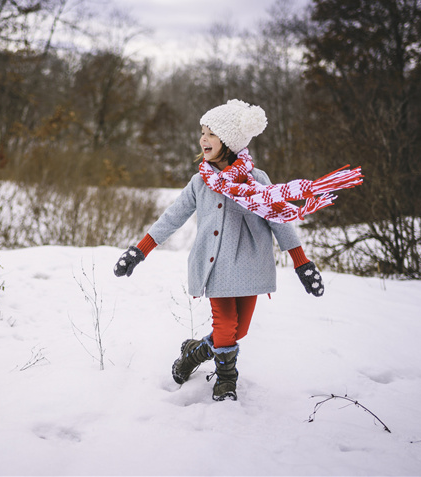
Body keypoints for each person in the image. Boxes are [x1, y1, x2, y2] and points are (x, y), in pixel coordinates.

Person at [113, 99, 362, 402]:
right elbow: (173, 217)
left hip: (250, 267)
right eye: (202, 132)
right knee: (226, 326)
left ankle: (193, 352)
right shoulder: (199, 183)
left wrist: (302, 264)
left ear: (229, 142)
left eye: (211, 134)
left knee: (236, 332)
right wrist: (139, 251)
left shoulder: (257, 182)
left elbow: (279, 220)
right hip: (215, 266)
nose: (203, 139)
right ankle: (226, 380)